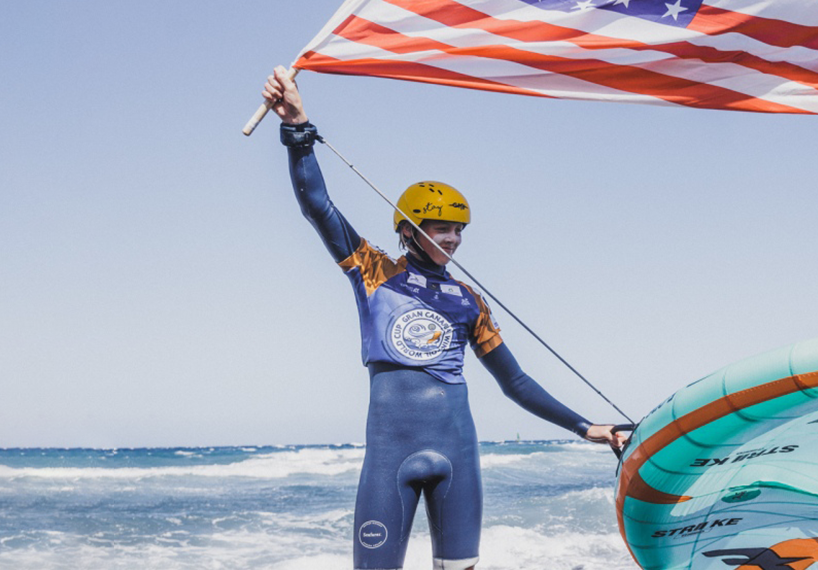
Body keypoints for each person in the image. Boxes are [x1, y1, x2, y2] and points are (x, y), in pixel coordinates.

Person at [263, 66, 627, 570]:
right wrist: (297, 130)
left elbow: (515, 382)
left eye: (458, 230)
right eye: (440, 229)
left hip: (457, 455)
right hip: (389, 459)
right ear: (409, 232)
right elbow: (318, 207)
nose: (452, 240)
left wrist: (585, 426)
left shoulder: (469, 301)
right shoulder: (373, 273)